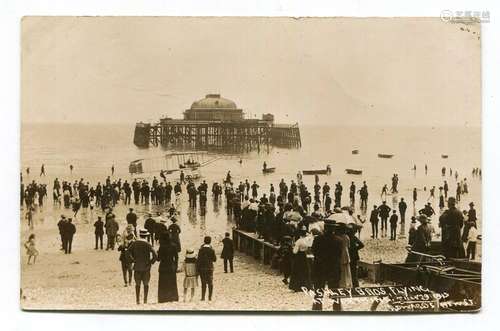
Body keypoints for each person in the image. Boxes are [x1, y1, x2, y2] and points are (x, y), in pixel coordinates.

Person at [311, 221, 342, 311]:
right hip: (333, 269)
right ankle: (337, 311)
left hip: (320, 268)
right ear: (334, 229)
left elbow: (314, 251)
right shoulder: (339, 240)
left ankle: (317, 310)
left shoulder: (318, 239)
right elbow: (339, 255)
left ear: (325, 228)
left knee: (318, 292)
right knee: (335, 293)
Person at [129, 229, 158, 304]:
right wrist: (151, 262)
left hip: (137, 266)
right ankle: (145, 300)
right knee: (146, 284)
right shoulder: (148, 244)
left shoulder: (135, 243)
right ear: (146, 236)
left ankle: (137, 300)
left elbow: (128, 252)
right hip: (146, 267)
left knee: (137, 284)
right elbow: (155, 255)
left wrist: (132, 260)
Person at [157, 232, 179, 303]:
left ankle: (163, 298)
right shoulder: (174, 246)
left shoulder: (162, 246)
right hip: (171, 265)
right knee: (172, 282)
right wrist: (176, 266)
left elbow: (158, 259)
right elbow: (176, 258)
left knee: (163, 283)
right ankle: (173, 297)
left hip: (163, 265)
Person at [289, 227, 311, 292]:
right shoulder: (307, 241)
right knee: (305, 270)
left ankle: (296, 286)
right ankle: (306, 286)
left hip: (299, 256)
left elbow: (295, 251)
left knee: (297, 270)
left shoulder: (299, 241)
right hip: (304, 255)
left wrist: (293, 247)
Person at [197, 236, 217, 301]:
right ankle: (210, 297)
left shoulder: (201, 250)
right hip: (209, 267)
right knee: (210, 283)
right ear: (210, 241)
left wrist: (198, 269)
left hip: (202, 268)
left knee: (203, 283)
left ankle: (203, 297)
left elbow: (198, 260)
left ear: (204, 241)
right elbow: (214, 259)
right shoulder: (211, 250)